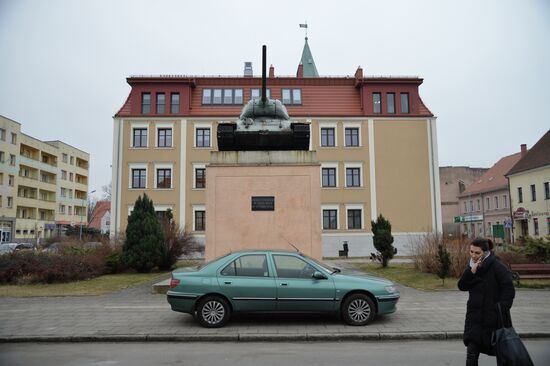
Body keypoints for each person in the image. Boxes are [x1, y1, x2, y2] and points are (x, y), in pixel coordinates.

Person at [458, 238, 515, 366]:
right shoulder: (472, 265)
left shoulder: (497, 266)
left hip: (493, 318)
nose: (473, 255)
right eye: (471, 252)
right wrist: (470, 272)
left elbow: (508, 290)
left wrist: (500, 308)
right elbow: (462, 286)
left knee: (501, 352)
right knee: (472, 351)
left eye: (477, 253)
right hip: (474, 318)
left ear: (485, 252)